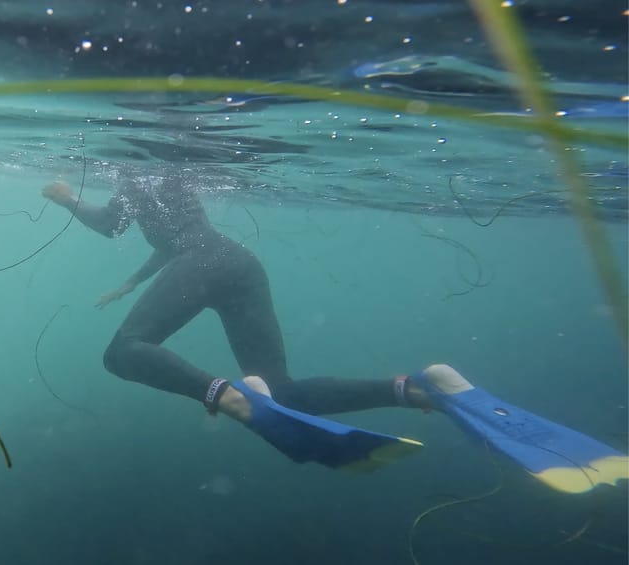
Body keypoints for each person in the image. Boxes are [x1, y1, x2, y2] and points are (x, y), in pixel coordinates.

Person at [41, 164, 629, 488]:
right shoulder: (174, 175)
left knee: (124, 352)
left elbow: (112, 226)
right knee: (287, 393)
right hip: (236, 261)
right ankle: (422, 388)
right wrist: (139, 279)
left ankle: (229, 399)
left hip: (203, 263)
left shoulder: (134, 172)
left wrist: (68, 198)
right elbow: (179, 236)